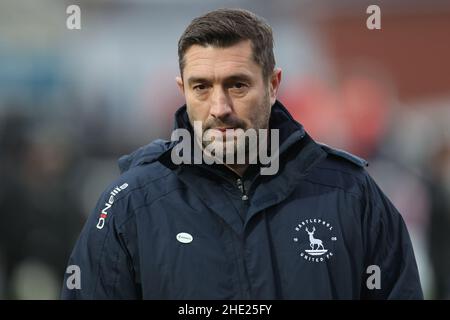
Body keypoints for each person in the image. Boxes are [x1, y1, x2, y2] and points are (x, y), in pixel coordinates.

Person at [61, 8, 423, 299]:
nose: (220, 107)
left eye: (238, 85)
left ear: (273, 84)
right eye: (201, 87)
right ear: (182, 89)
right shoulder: (131, 205)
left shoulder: (349, 192)